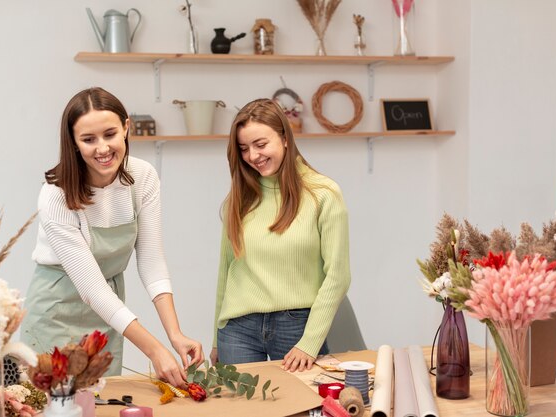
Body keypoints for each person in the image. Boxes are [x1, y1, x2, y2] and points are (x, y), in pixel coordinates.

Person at [21, 87, 203, 386]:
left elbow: (152, 262)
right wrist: (154, 349)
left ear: (126, 128)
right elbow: (91, 289)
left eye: (110, 134)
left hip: (109, 314)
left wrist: (174, 335)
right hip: (55, 310)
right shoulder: (55, 195)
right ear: (74, 143)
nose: (102, 148)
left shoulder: (142, 177)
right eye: (88, 139)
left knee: (101, 404)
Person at [210, 98, 351, 372]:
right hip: (238, 330)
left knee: (299, 410)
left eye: (260, 145)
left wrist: (309, 342)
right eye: (244, 149)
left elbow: (338, 276)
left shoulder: (323, 194)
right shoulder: (238, 200)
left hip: (297, 328)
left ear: (285, 138)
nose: (252, 156)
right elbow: (226, 272)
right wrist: (216, 338)